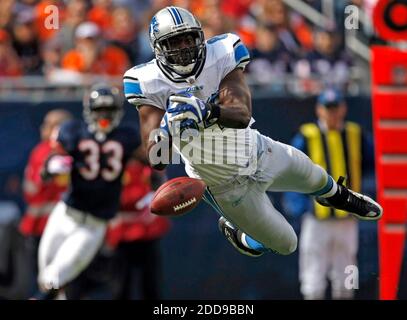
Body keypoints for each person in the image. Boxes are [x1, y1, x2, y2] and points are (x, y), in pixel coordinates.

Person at [123, 6, 382, 259]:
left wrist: (207, 111)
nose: (183, 49)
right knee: (286, 243)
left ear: (199, 37)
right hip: (225, 186)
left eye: (187, 39)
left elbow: (241, 113)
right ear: (159, 49)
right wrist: (168, 130)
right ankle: (239, 234)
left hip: (257, 150)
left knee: (315, 178)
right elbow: (157, 159)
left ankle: (339, 196)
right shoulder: (147, 81)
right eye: (174, 43)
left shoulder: (222, 52)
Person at [34, 84, 140, 299]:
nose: (103, 116)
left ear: (118, 111)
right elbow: (50, 160)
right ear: (88, 110)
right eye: (99, 110)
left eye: (108, 110)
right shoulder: (74, 131)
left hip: (93, 225)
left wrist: (158, 178)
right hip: (64, 214)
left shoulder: (127, 136)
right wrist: (51, 165)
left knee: (54, 278)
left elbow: (151, 160)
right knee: (45, 277)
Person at [283, 89, 375, 300]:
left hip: (347, 218)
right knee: (313, 274)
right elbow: (291, 170)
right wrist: (299, 205)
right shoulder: (307, 135)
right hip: (317, 219)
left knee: (347, 271)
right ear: (319, 110)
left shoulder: (354, 133)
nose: (332, 114)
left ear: (343, 108)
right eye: (328, 109)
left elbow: (372, 161)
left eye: (336, 109)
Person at [19, 109, 73, 298]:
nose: (45, 129)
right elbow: (34, 188)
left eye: (50, 125)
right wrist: (48, 172)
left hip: (67, 227)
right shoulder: (43, 152)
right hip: (41, 226)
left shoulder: (74, 150)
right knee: (47, 281)